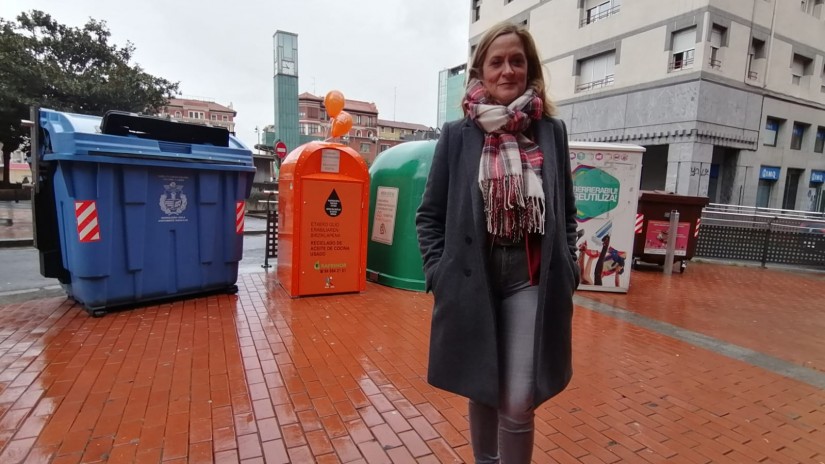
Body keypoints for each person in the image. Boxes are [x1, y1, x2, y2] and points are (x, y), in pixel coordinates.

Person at [416, 21, 579, 463]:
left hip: (530, 280)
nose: (508, 70)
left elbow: (566, 209)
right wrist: (439, 273)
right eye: (497, 61)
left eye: (517, 61)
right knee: (482, 386)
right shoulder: (457, 135)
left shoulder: (552, 132)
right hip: (473, 283)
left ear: (529, 69)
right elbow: (429, 216)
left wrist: (569, 267)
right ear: (481, 72)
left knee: (518, 399)